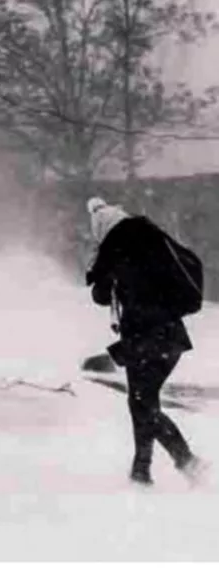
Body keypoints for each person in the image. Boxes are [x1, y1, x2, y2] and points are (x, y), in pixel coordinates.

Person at [85, 197, 208, 486]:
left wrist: (101, 264)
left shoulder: (116, 251)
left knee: (142, 405)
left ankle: (186, 461)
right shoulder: (150, 242)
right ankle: (142, 470)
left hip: (145, 338)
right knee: (142, 402)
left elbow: (100, 296)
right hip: (170, 337)